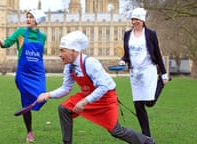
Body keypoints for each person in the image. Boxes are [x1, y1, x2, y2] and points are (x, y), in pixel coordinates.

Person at [36, 31, 155, 144]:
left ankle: (146, 141)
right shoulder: (69, 67)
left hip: (105, 97)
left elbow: (103, 87)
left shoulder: (90, 63)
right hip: (87, 96)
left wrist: (84, 102)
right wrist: (47, 95)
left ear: (73, 51)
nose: (59, 55)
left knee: (115, 131)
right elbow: (66, 88)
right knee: (63, 109)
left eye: (62, 51)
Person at [0, 10, 47, 143]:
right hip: (24, 73)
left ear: (37, 20)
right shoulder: (20, 32)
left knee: (43, 96)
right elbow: (6, 44)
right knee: (26, 101)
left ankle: (32, 104)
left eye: (31, 17)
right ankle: (29, 132)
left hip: (38, 72)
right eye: (27, 17)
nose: (27, 19)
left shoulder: (43, 37)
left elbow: (39, 55)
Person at [119, 8, 169, 137]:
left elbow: (157, 54)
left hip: (148, 70)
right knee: (138, 105)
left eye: (137, 19)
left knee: (149, 102)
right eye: (133, 19)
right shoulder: (127, 35)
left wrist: (163, 74)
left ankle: (161, 84)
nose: (134, 22)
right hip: (135, 73)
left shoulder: (150, 34)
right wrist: (123, 61)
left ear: (142, 20)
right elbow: (127, 55)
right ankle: (146, 136)